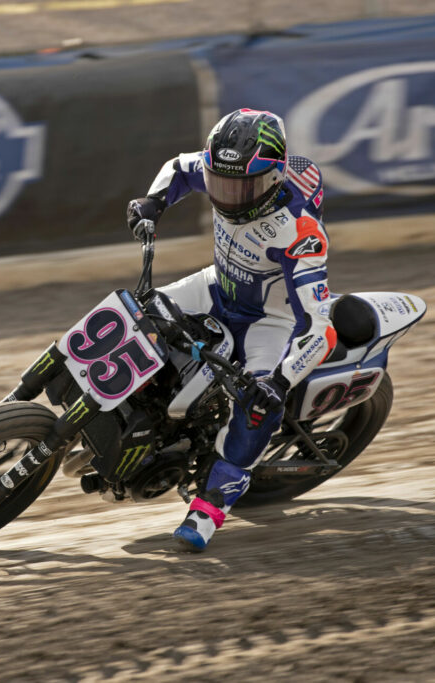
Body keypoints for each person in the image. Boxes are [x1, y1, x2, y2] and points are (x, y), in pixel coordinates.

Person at [126, 108, 337, 552]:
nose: (225, 196)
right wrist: (152, 203)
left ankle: (212, 504)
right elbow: (179, 168)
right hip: (214, 287)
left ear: (272, 179)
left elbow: (320, 328)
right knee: (132, 312)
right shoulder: (233, 170)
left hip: (268, 323)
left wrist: (278, 382)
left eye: (240, 188)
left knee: (259, 406)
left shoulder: (300, 233)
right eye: (219, 183)